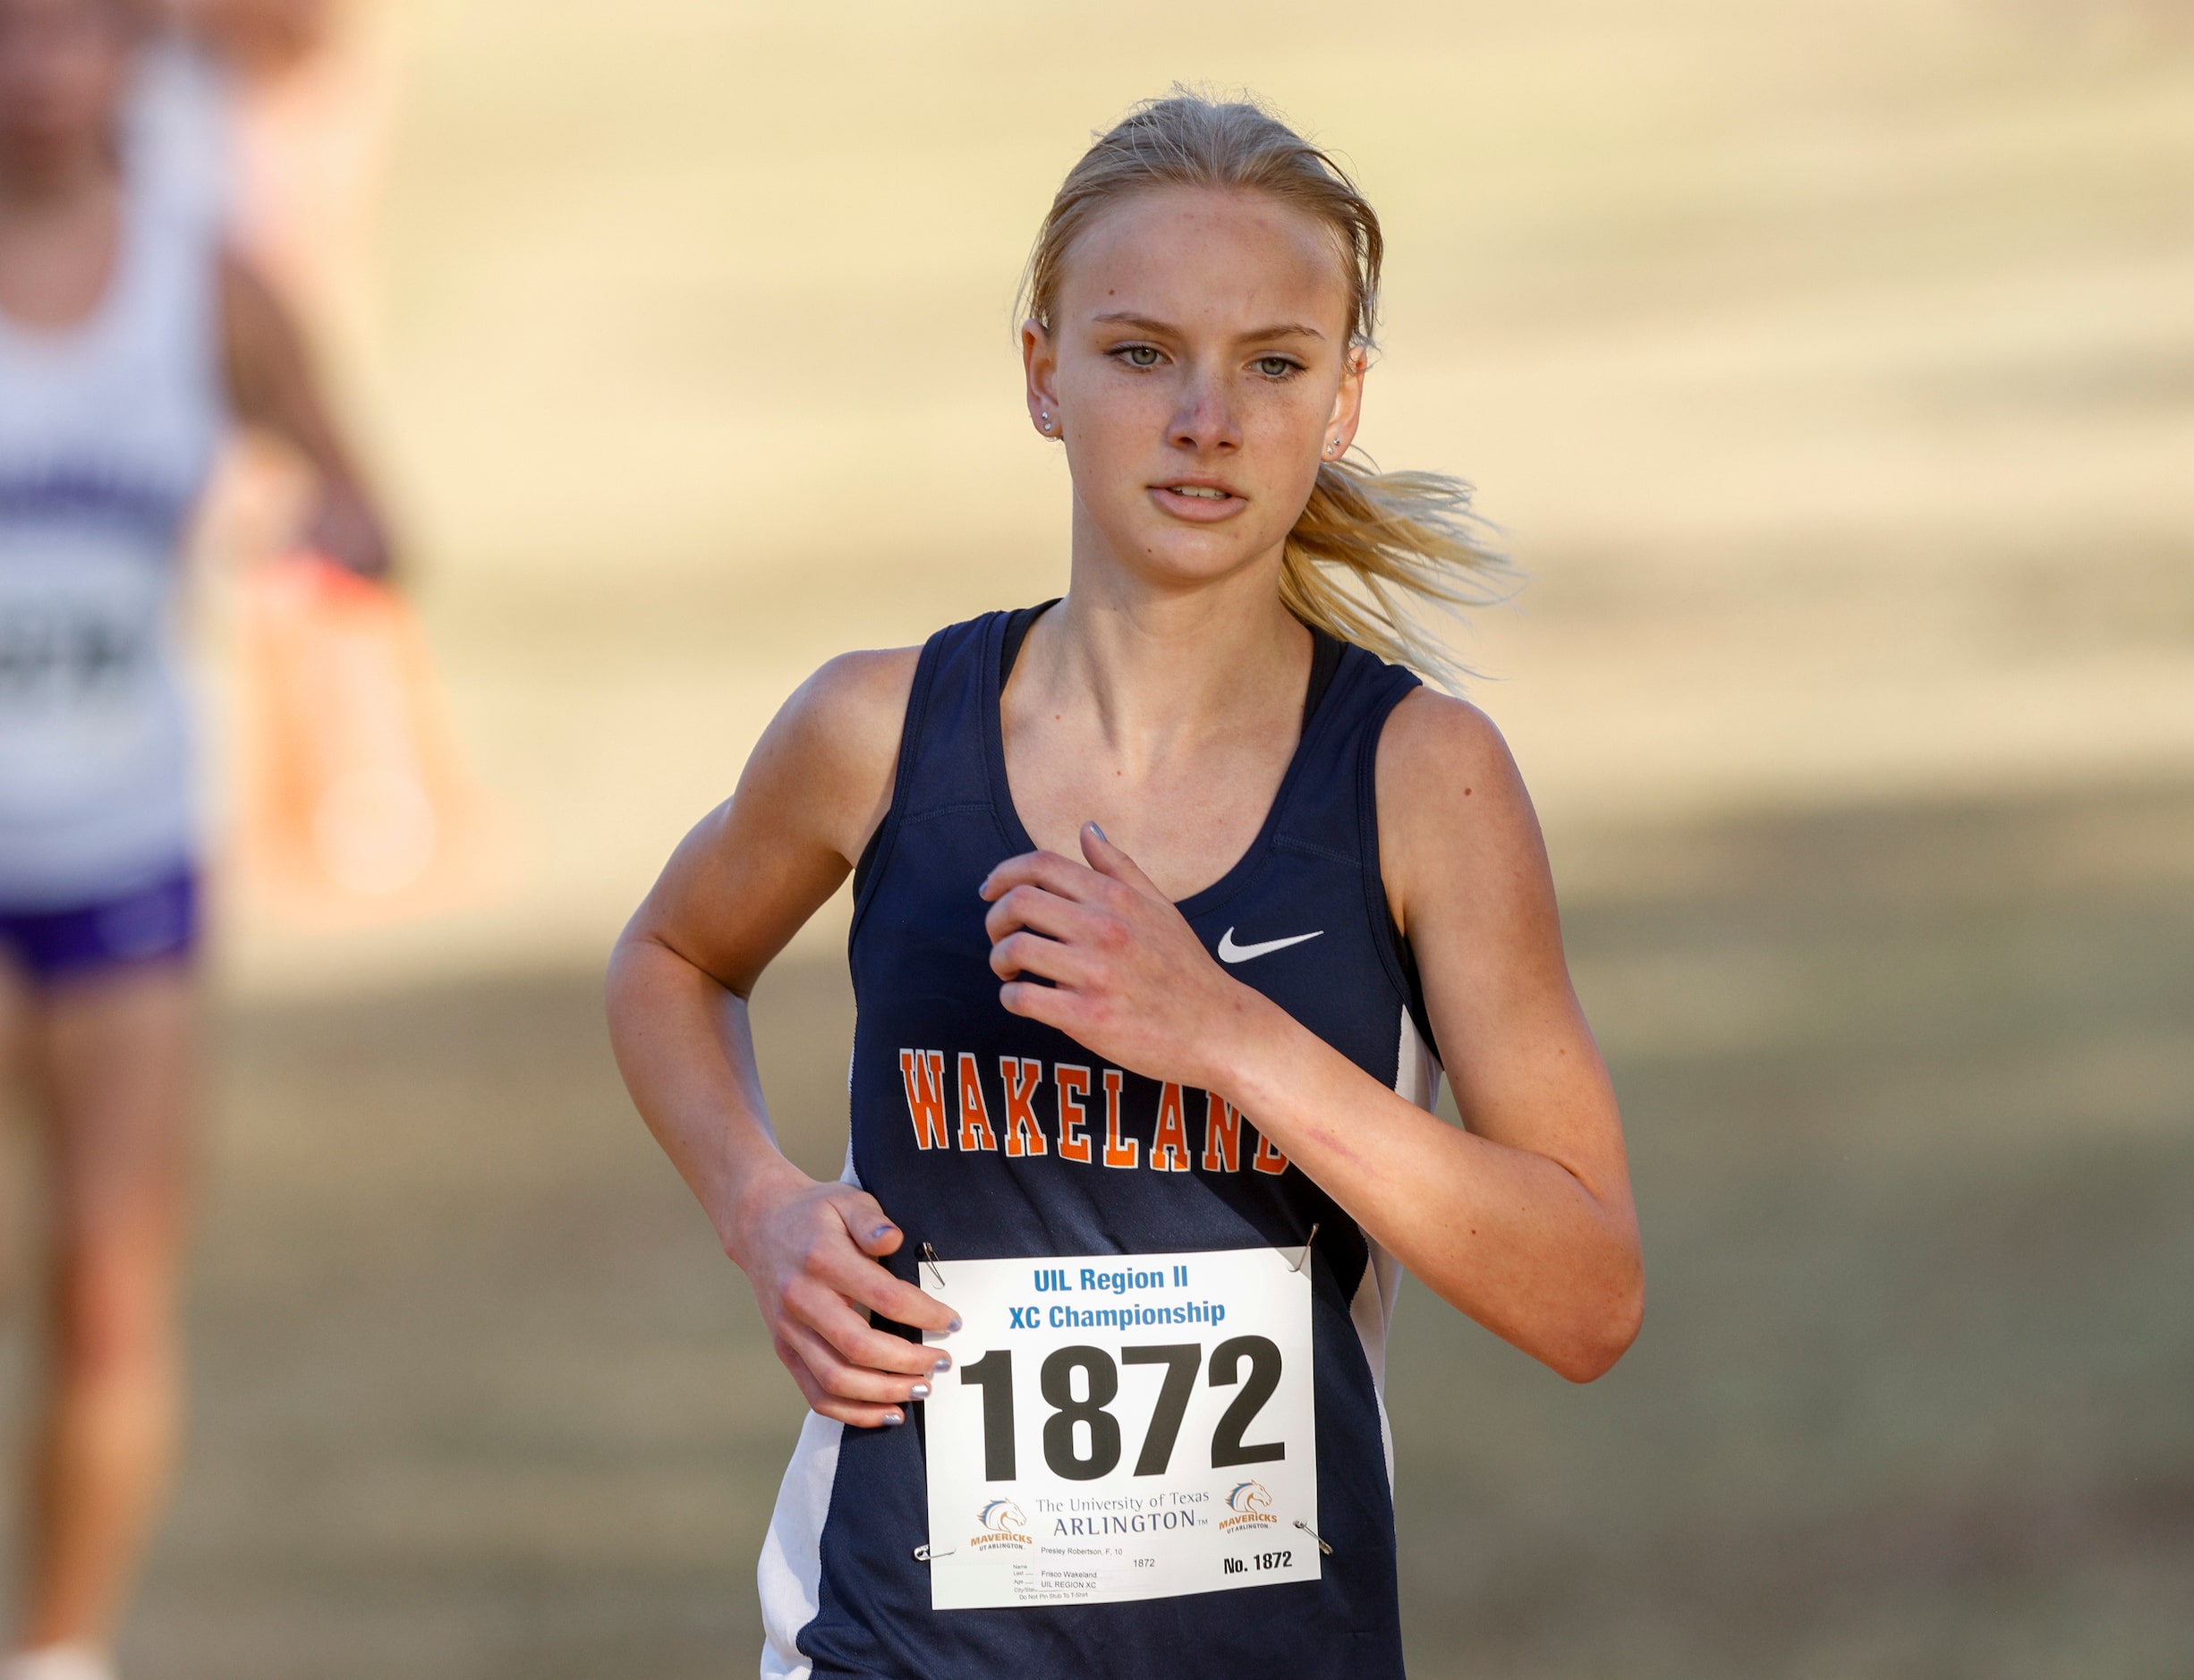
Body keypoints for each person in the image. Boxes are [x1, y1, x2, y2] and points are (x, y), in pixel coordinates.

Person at [608, 91, 1641, 1680]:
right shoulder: (879, 733)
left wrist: (1229, 1034)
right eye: (1142, 352)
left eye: (1274, 363)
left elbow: (1586, 1296)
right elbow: (672, 954)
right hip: (896, 1637)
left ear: (1345, 395)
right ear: (1043, 372)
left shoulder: (1423, 781)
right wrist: (761, 1207)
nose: (1206, 420)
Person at [0, 0, 389, 1673]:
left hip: (127, 862)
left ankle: (60, 1653)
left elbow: (372, 519)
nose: (36, 71)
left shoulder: (205, 282)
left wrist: (295, 524)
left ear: (128, 58)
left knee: (106, 1290)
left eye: (70, 34)